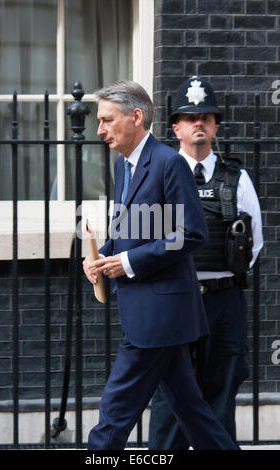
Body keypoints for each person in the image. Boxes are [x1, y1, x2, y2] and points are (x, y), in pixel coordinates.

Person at [82, 80, 238, 450]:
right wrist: (103, 257)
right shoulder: (124, 168)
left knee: (115, 411)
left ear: (136, 117)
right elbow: (129, 233)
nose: (100, 129)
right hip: (147, 311)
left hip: (160, 314)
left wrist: (130, 262)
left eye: (106, 120)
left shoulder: (169, 163)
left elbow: (192, 232)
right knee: (192, 410)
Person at [148, 76, 264, 450]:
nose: (198, 122)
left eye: (205, 116)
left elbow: (254, 243)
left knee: (220, 397)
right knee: (169, 399)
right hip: (174, 300)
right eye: (189, 117)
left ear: (215, 125)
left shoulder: (237, 178)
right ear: (176, 127)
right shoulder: (157, 174)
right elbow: (145, 241)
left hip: (222, 302)